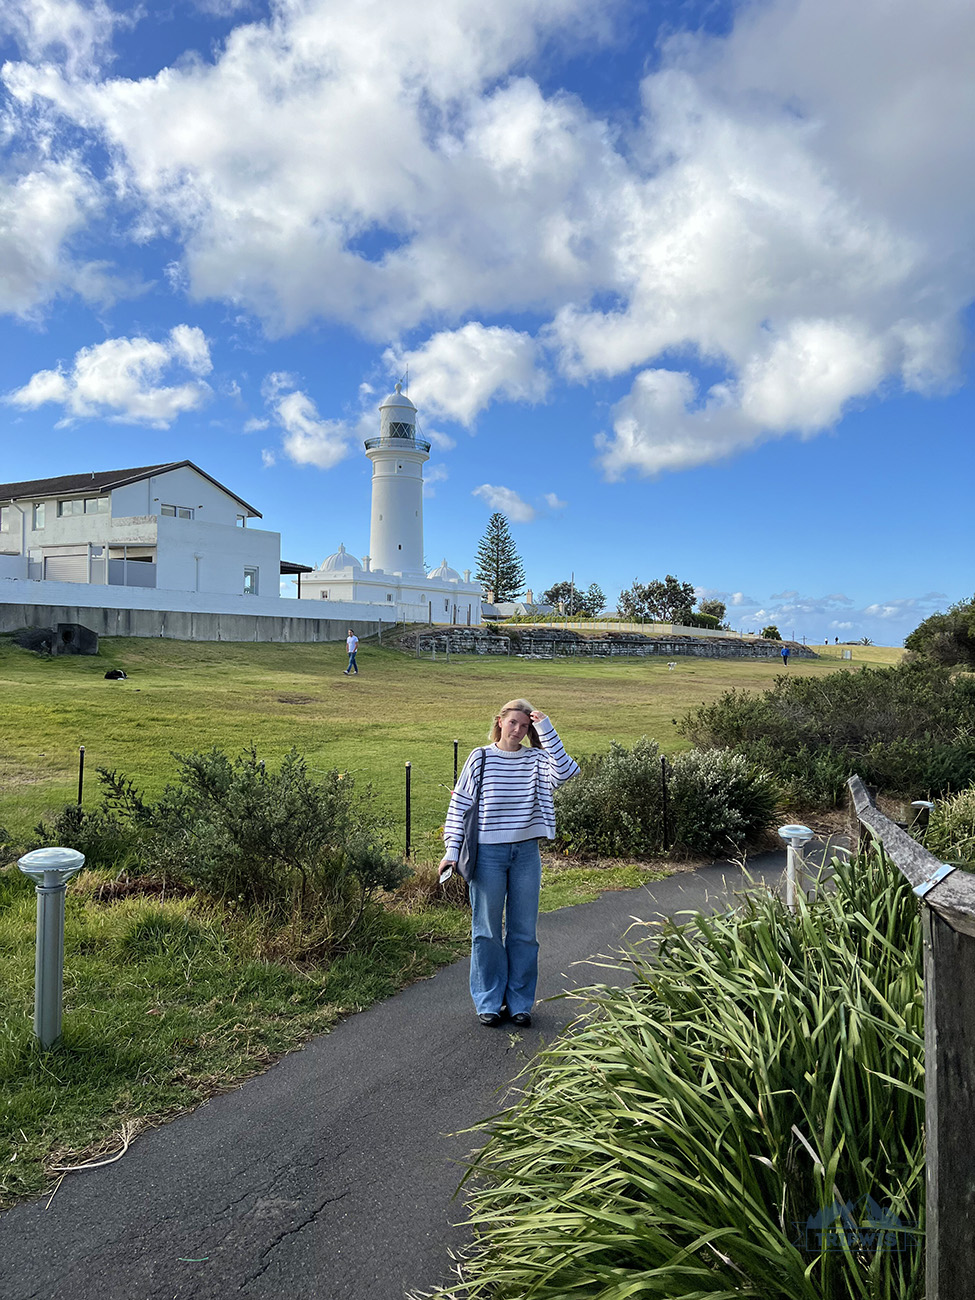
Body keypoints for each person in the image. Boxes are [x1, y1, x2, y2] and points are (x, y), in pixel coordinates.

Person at [440, 699, 579, 1029]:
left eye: (525, 726)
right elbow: (460, 806)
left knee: (524, 933)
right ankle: (488, 1000)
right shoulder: (481, 758)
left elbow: (567, 771)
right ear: (499, 722)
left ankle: (519, 1003)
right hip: (488, 855)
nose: (518, 731)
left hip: (526, 855)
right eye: (512, 723)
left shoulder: (536, 759)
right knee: (486, 931)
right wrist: (451, 850)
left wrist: (545, 726)